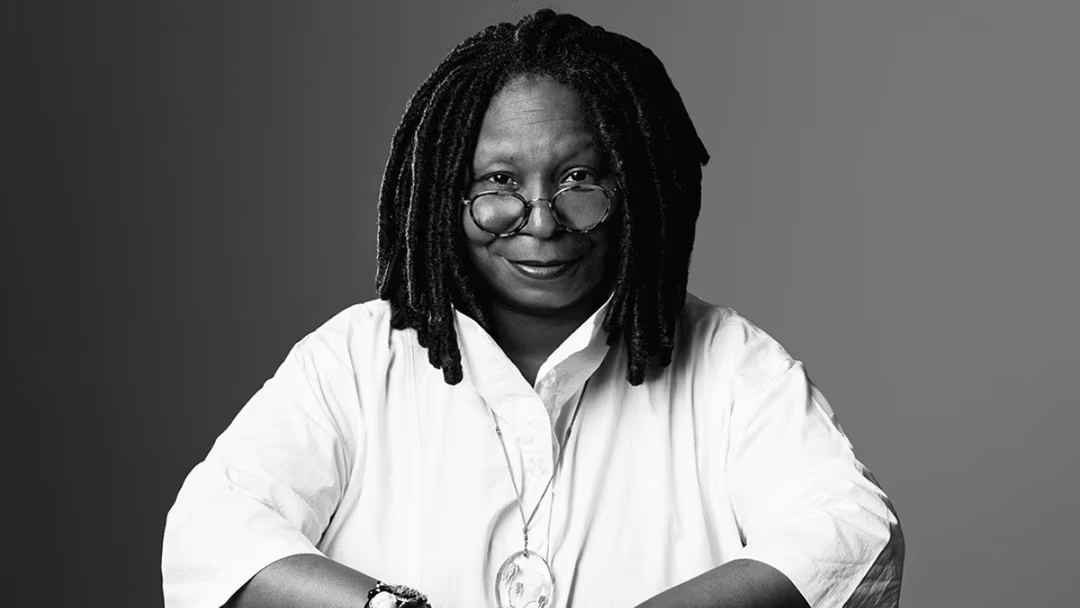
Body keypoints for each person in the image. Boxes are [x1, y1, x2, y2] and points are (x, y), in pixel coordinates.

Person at [162, 9, 904, 608]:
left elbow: (854, 535)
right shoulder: (355, 360)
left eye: (579, 178)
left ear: (635, 188)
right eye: (499, 183)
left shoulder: (729, 364)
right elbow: (210, 532)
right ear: (446, 197)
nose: (543, 221)